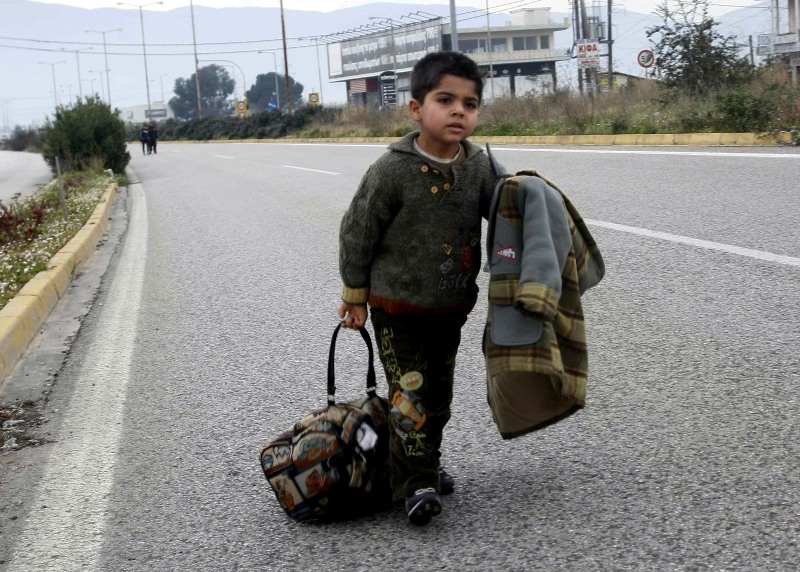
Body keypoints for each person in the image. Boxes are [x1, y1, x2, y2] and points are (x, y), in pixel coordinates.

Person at [337, 51, 497, 525]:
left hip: (449, 310)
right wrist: (355, 296)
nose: (458, 112)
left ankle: (424, 462)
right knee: (409, 397)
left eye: (469, 104)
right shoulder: (393, 170)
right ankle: (416, 483)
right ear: (415, 108)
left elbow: (507, 213)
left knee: (440, 397)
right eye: (444, 100)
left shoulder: (479, 167)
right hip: (396, 309)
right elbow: (357, 230)